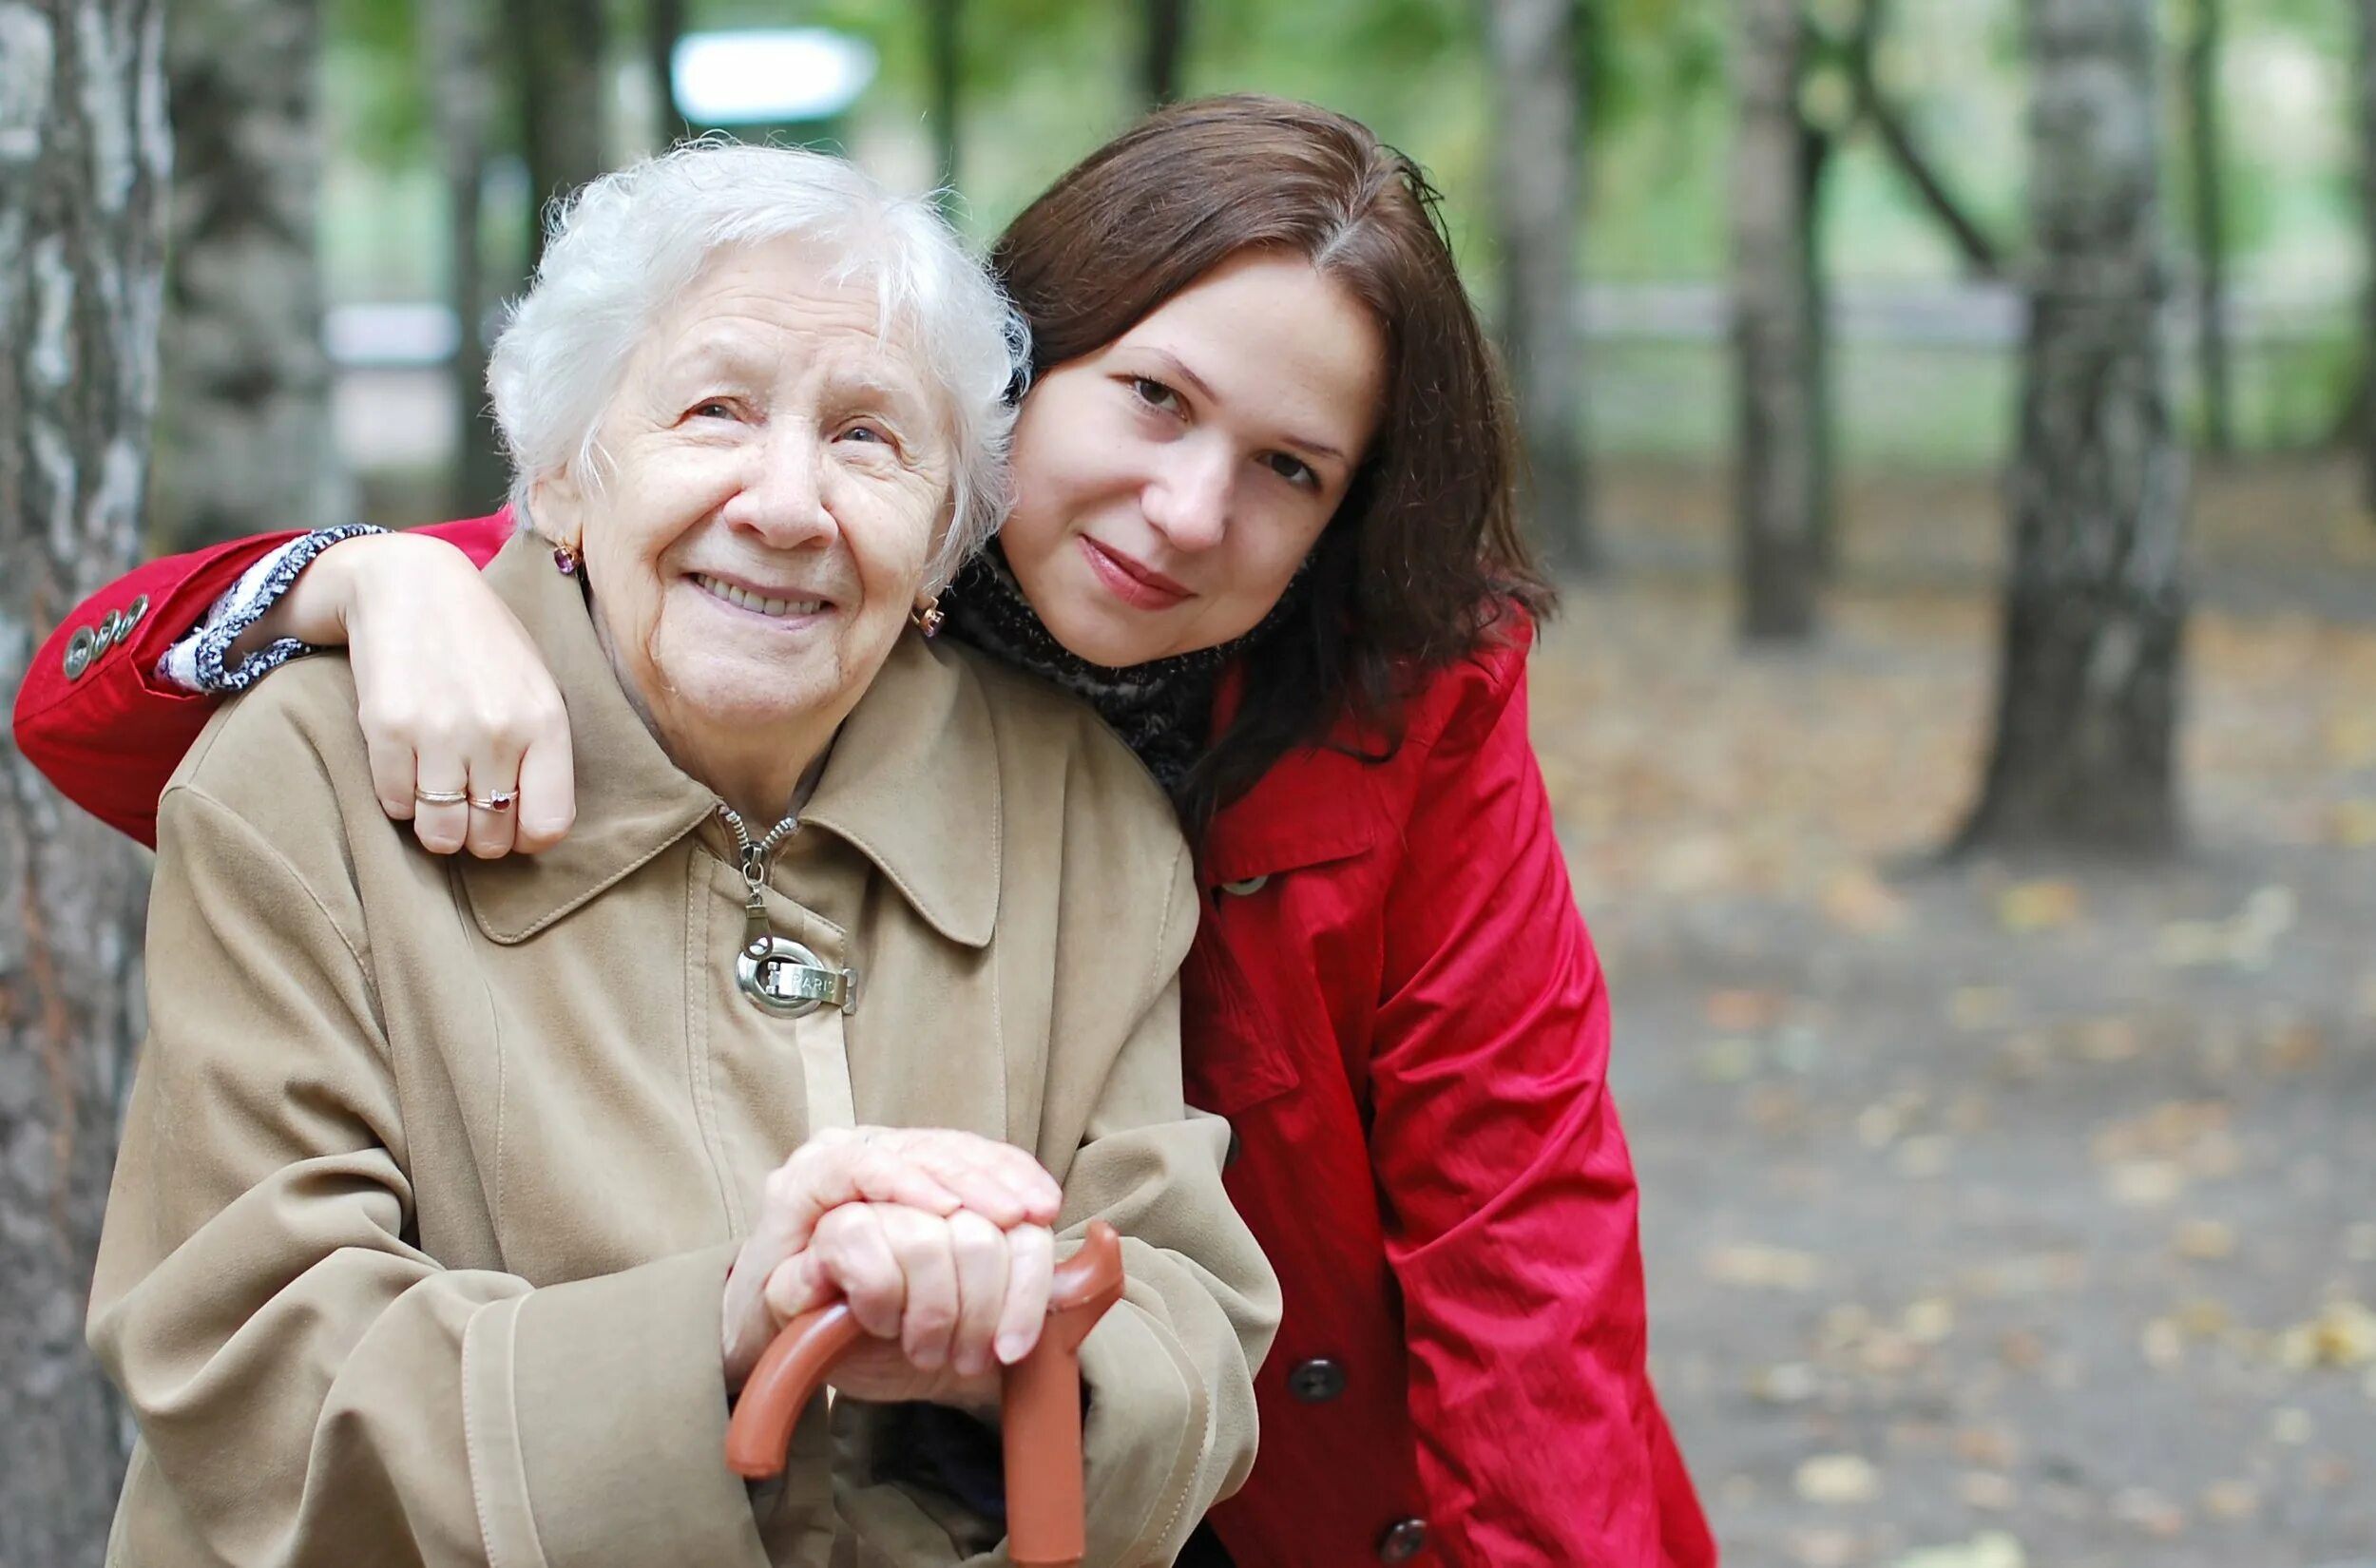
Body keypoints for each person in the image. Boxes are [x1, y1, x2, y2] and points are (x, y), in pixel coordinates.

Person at [19, 98, 1714, 1567]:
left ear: (940, 501)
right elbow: (83, 706)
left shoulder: (1323, 742)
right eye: (1154, 400)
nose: (1194, 508)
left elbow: (1521, 1233)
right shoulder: (507, 635)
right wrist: (357, 571)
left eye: (1291, 468)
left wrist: (1011, 1337)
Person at [75, 142, 1276, 1568]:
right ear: (564, 480)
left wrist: (1010, 1333)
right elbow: (246, 1358)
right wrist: (726, 1323)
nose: (785, 504)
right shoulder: (310, 775)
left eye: (868, 438)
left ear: (947, 544)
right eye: (714, 410)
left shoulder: (1079, 812)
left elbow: (1189, 1315)